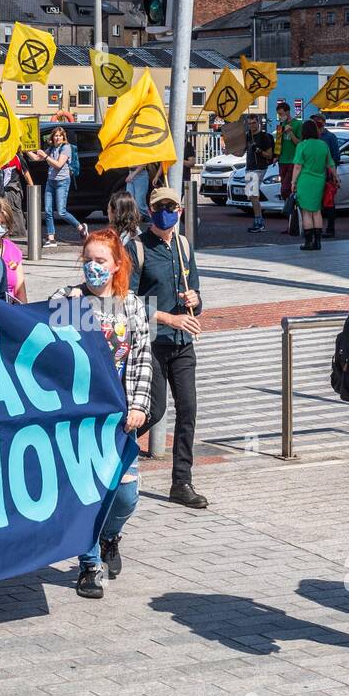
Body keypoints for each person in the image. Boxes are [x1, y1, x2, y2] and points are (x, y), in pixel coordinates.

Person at [50, 228, 152, 599]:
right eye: (88, 260)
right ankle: (89, 565)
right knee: (86, 492)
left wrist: (139, 405)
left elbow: (142, 358)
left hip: (121, 415)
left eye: (100, 261)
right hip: (81, 417)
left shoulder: (134, 305)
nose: (93, 267)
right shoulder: (68, 300)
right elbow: (45, 341)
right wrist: (67, 304)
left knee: (124, 496)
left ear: (116, 265)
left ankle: (110, 536)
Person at [128, 187, 207, 509]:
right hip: (152, 343)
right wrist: (167, 318)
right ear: (149, 210)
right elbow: (126, 300)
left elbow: (197, 294)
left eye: (171, 206)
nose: (166, 211)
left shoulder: (183, 244)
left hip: (183, 343)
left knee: (188, 410)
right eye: (160, 206)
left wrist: (196, 301)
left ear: (181, 209)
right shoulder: (137, 248)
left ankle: (181, 482)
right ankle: (116, 453)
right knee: (153, 410)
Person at [30, 126, 83, 247]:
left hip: (62, 182)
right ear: (52, 138)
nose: (57, 138)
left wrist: (46, 156)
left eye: (60, 135)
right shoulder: (52, 148)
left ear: (63, 137)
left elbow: (58, 165)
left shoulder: (66, 148)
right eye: (55, 135)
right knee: (48, 211)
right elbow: (36, 158)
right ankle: (51, 238)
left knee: (61, 211)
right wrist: (25, 149)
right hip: (51, 181)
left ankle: (80, 227)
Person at [292, 119, 337, 252]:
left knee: (306, 212)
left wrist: (293, 182)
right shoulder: (323, 144)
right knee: (317, 211)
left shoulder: (302, 145)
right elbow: (331, 164)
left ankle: (308, 242)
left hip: (305, 181)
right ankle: (318, 242)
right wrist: (336, 177)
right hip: (319, 180)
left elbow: (298, 166)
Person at [0, 196, 27, 304]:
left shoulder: (12, 250)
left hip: (9, 312)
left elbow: (20, 291)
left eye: (3, 223)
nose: (0, 227)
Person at [244, 115, 275, 235]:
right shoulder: (248, 136)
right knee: (251, 196)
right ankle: (258, 220)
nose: (251, 125)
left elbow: (269, 154)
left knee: (253, 196)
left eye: (253, 123)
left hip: (259, 168)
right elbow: (241, 152)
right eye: (249, 123)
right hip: (249, 168)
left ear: (258, 123)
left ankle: (259, 222)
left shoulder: (263, 137)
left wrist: (259, 151)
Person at [314, 113, 343, 241]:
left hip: (327, 175)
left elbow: (336, 157)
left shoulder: (330, 137)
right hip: (315, 174)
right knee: (316, 202)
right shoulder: (312, 138)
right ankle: (315, 228)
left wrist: (332, 173)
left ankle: (330, 229)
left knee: (329, 202)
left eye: (318, 122)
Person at [274, 100, 303, 214]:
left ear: (288, 112)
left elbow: (299, 144)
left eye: (281, 114)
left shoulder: (298, 124)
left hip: (293, 160)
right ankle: (291, 216)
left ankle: (291, 210)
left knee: (286, 189)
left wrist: (290, 133)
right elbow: (278, 143)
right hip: (282, 161)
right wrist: (276, 156)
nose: (280, 117)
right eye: (279, 115)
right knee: (286, 189)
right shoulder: (280, 126)